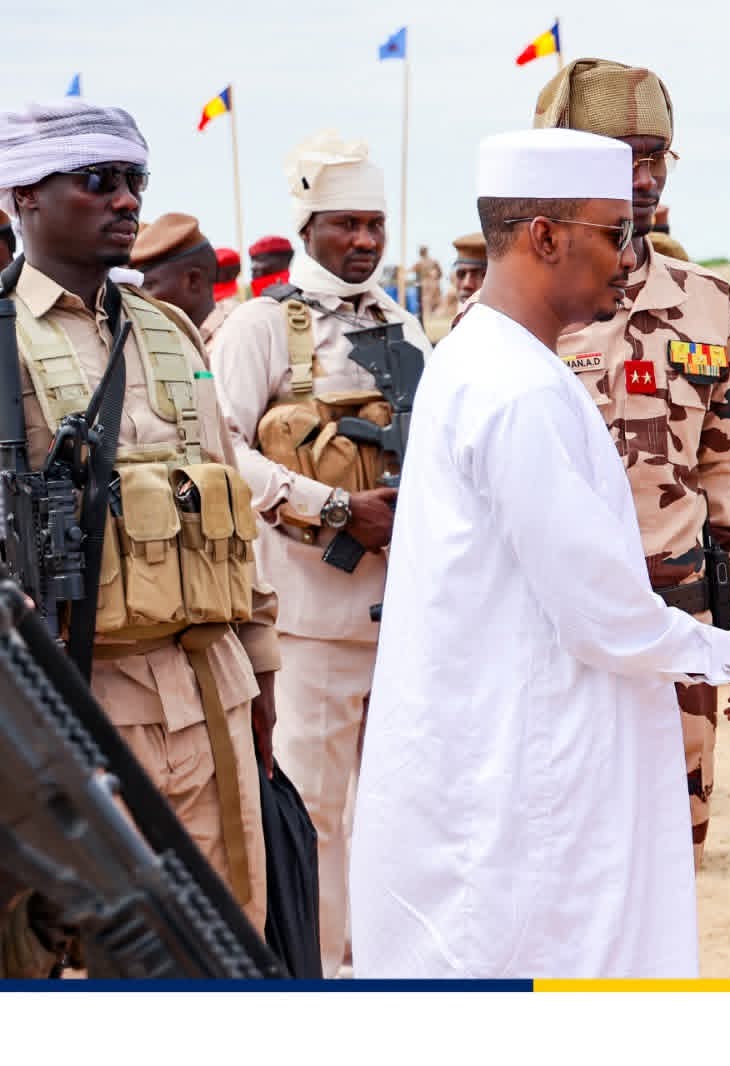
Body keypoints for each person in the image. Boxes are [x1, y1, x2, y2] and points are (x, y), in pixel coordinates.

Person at [349, 128, 730, 979]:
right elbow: (604, 619)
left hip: (502, 753)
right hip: (527, 777)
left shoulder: (490, 361)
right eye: (615, 231)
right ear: (546, 236)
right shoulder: (518, 389)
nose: (629, 254)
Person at [0, 99, 278, 940]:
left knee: (230, 931)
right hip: (81, 700)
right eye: (96, 181)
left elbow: (227, 494)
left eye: (133, 181)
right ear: (24, 199)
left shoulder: (169, 332)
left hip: (214, 692)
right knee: (94, 951)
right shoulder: (3, 337)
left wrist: (261, 672)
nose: (125, 200)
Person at [531, 58, 730, 868]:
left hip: (681, 634)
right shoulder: (522, 309)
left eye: (655, 158)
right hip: (554, 644)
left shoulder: (705, 301)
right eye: (620, 157)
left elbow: (729, 474)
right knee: (564, 866)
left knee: (673, 866)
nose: (642, 179)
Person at [210, 130, 432, 977]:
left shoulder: (404, 322)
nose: (365, 241)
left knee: (399, 815)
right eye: (346, 224)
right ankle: (321, 985)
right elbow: (222, 450)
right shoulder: (260, 328)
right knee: (319, 817)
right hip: (309, 622)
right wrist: (335, 506)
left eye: (374, 223)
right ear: (306, 227)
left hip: (406, 622)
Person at [128, 212, 229, 352]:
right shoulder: (169, 343)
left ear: (193, 280)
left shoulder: (231, 341)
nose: (138, 297)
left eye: (147, 286)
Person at [412, 243, 442, 320]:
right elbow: (440, 273)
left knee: (427, 300)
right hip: (433, 283)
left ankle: (428, 316)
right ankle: (429, 316)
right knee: (431, 300)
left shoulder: (420, 263)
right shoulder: (432, 261)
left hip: (426, 283)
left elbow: (411, 270)